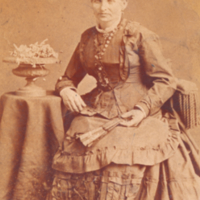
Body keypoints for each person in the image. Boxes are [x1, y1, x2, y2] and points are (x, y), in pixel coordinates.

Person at [47, 0, 200, 199]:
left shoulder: (139, 35)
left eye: (110, 1)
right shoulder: (87, 37)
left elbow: (166, 81)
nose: (103, 8)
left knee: (121, 146)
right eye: (97, 1)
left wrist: (142, 109)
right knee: (77, 134)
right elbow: (68, 77)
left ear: (123, 3)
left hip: (138, 111)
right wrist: (67, 89)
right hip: (96, 110)